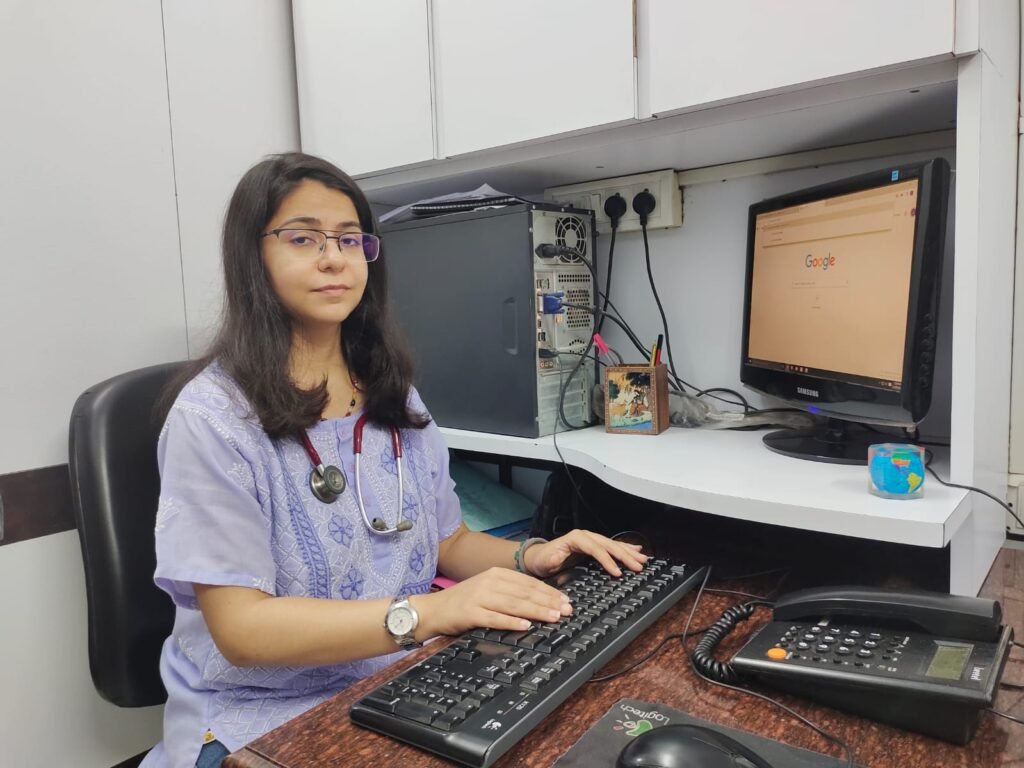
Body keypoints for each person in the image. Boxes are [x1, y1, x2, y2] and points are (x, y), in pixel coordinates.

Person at [142, 152, 647, 768]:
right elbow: (242, 632)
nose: (334, 258)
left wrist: (532, 556)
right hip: (255, 717)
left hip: (393, 680)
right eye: (303, 238)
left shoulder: (392, 395)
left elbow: (448, 541)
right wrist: (429, 613)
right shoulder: (213, 419)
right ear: (252, 255)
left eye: (349, 239)